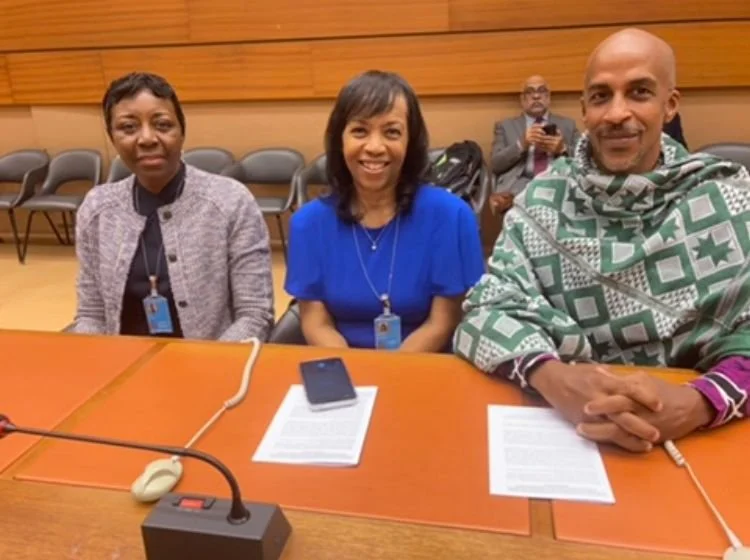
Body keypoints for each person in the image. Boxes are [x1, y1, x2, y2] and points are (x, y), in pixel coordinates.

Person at [455, 28, 750, 452]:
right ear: (584, 109)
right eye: (600, 97)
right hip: (565, 434)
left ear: (670, 105)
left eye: (639, 92)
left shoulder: (725, 201)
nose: (616, 113)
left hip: (692, 444)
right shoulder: (542, 200)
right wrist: (554, 379)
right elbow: (485, 310)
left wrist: (697, 403)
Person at [285, 70, 485, 352]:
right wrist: (354, 377)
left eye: (392, 132)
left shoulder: (451, 217)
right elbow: (316, 323)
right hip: (343, 369)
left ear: (410, 142)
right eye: (360, 131)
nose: (375, 147)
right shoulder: (308, 224)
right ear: (339, 140)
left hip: (424, 366)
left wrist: (388, 375)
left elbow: (443, 322)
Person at [70, 72, 274, 341]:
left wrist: (209, 367)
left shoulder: (230, 201)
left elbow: (255, 314)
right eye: (128, 128)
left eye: (162, 125)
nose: (146, 138)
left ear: (181, 132)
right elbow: (91, 314)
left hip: (212, 365)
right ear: (112, 137)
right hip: (123, 365)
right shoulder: (97, 208)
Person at [489, 75, 580, 215]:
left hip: (558, 182)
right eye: (530, 92)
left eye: (542, 91)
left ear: (548, 97)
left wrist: (562, 149)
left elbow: (584, 161)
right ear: (522, 99)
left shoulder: (567, 125)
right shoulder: (505, 126)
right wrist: (521, 145)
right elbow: (495, 164)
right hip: (519, 186)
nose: (536, 96)